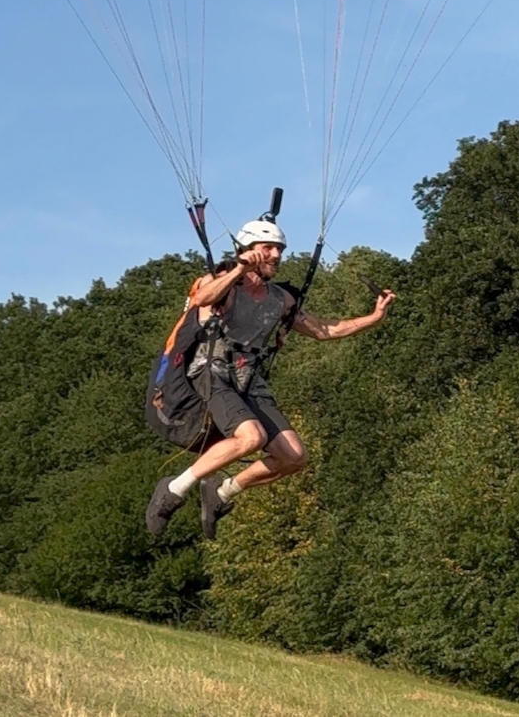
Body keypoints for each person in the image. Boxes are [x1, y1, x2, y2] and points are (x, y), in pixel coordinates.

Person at [146, 217, 396, 539]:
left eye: (279, 249)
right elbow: (201, 299)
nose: (276, 255)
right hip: (212, 372)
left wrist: (373, 318)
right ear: (247, 249)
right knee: (251, 438)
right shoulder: (221, 283)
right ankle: (174, 490)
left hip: (248, 379)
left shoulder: (281, 299)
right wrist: (238, 269)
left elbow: (323, 330)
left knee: (294, 457)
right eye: (268, 248)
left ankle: (221, 493)